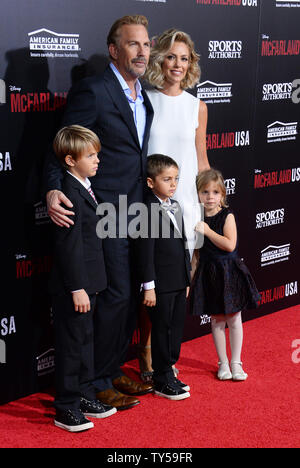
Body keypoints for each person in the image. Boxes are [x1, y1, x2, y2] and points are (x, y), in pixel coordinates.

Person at [43, 15, 154, 411]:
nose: (142, 52)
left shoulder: (145, 94)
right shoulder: (94, 89)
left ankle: (109, 369)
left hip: (137, 207)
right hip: (103, 211)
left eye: (146, 44)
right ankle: (94, 382)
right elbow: (64, 145)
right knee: (115, 294)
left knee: (128, 297)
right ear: (114, 49)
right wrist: (54, 187)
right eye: (133, 44)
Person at [138, 28, 210, 380]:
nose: (177, 64)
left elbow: (201, 158)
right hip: (150, 205)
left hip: (186, 206)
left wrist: (212, 202)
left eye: (184, 58)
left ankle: (166, 353)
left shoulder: (198, 106)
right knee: (151, 283)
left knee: (177, 286)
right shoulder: (144, 99)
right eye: (170, 56)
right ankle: (146, 349)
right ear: (158, 60)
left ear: (191, 63)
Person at [49, 125, 117, 432]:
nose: (97, 160)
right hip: (75, 287)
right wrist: (77, 287)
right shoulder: (68, 193)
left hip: (92, 282)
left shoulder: (86, 185)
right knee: (72, 345)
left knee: (87, 342)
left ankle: (85, 394)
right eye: (90, 155)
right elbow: (69, 246)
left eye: (97, 154)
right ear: (69, 160)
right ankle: (65, 406)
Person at [190, 168, 260, 381]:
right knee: (217, 319)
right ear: (198, 194)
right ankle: (222, 363)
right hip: (208, 272)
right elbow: (196, 253)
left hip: (229, 271)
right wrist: (191, 279)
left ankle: (236, 362)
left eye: (215, 192)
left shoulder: (226, 216)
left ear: (223, 195)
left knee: (234, 317)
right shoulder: (197, 218)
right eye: (205, 192)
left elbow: (230, 245)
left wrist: (208, 231)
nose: (210, 197)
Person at [135, 155, 191, 400]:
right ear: (150, 182)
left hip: (178, 280)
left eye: (176, 179)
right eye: (167, 179)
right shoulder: (146, 209)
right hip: (160, 284)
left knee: (175, 328)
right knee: (162, 329)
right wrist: (149, 286)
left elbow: (182, 244)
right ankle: (160, 378)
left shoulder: (175, 205)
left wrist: (187, 279)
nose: (173, 184)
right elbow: (145, 251)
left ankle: (169, 372)